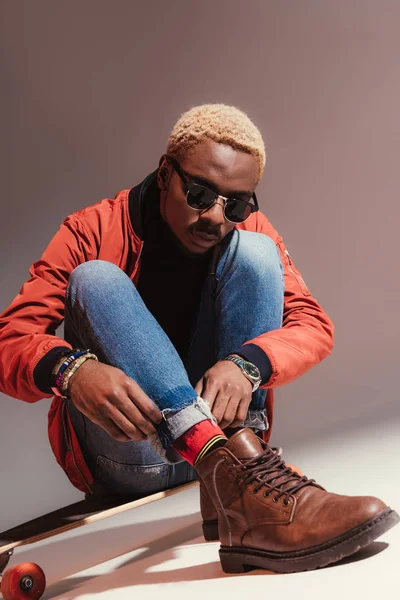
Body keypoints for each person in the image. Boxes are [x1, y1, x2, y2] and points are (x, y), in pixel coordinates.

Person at [0, 104, 397, 573]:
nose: (215, 216)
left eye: (236, 203)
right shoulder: (92, 229)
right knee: (96, 280)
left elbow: (312, 323)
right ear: (166, 173)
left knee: (256, 252)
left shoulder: (247, 227)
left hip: (231, 451)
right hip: (129, 450)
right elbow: (11, 339)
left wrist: (248, 365)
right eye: (200, 194)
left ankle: (238, 487)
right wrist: (71, 371)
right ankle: (236, 482)